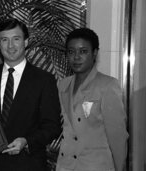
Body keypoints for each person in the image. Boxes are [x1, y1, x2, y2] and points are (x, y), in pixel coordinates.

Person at [0, 18, 62, 171]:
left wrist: (26, 141)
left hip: (28, 164)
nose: (10, 46)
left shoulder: (44, 80)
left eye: (16, 39)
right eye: (4, 40)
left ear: (25, 42)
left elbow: (52, 126)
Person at [55, 28, 129, 171]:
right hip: (66, 165)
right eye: (71, 52)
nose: (76, 57)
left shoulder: (107, 85)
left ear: (94, 53)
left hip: (96, 166)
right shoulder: (63, 84)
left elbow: (117, 136)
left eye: (83, 51)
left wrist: (119, 167)